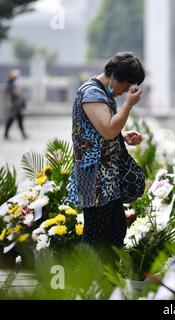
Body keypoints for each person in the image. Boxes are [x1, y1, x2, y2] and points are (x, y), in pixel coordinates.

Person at [66, 52, 145, 261]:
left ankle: (106, 283)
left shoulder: (103, 92)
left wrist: (123, 135)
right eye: (126, 86)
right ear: (115, 77)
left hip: (107, 176)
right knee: (96, 237)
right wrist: (128, 105)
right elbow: (108, 130)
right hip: (95, 178)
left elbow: (102, 129)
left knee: (115, 230)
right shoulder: (92, 94)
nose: (125, 92)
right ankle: (87, 285)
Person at [3, 69, 27, 140]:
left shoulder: (13, 83)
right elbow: (12, 92)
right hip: (13, 105)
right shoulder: (9, 83)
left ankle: (23, 134)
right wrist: (20, 94)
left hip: (16, 105)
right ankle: (6, 134)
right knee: (11, 119)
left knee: (18, 119)